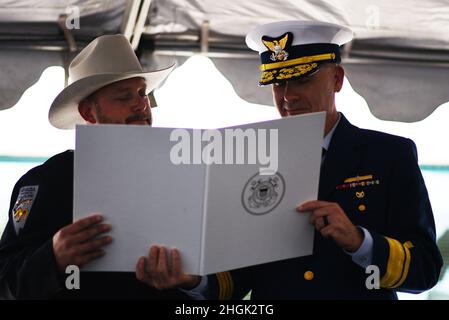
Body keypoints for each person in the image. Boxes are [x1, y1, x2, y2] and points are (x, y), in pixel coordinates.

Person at [141, 21, 443, 299]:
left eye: (301, 80)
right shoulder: (248, 159)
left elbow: (426, 269)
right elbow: (237, 279)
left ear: (337, 79)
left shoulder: (389, 154)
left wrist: (358, 241)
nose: (287, 96)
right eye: (278, 83)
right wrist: (193, 279)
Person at [0, 34, 190, 299]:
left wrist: (190, 280)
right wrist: (52, 257)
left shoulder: (180, 174)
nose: (140, 104)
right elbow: (7, 277)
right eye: (123, 97)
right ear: (89, 113)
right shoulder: (48, 180)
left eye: (142, 93)